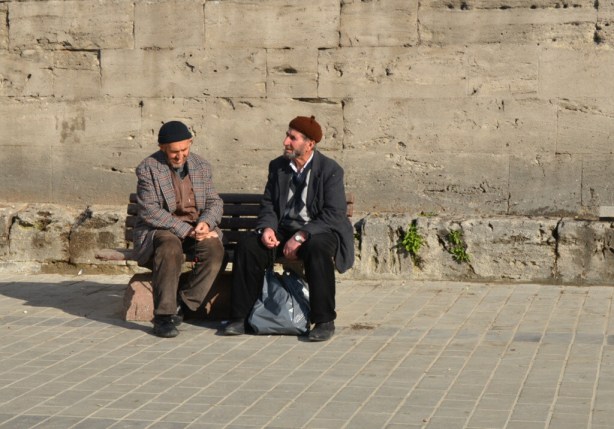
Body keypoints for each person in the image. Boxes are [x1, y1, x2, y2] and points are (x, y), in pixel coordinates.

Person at [223, 115, 354, 341]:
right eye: (287, 135)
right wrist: (267, 229)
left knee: (318, 249)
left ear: (309, 144)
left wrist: (302, 235)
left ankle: (324, 321)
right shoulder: (278, 167)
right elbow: (269, 205)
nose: (286, 142)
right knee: (248, 245)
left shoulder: (330, 170)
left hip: (318, 230)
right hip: (283, 230)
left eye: (292, 138)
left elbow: (334, 214)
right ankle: (239, 317)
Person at [133, 120, 225, 338]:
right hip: (161, 228)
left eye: (184, 149)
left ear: (190, 143)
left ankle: (183, 304)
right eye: (174, 152)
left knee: (215, 250)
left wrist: (206, 223)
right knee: (170, 247)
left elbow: (214, 202)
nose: (180, 156)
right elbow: (150, 211)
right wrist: (185, 230)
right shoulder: (148, 169)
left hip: (196, 227)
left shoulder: (202, 166)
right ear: (162, 148)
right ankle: (163, 317)